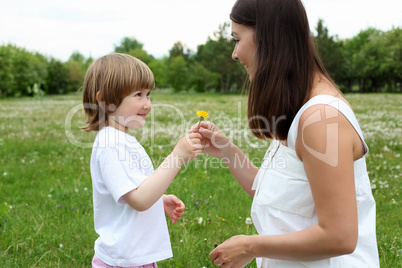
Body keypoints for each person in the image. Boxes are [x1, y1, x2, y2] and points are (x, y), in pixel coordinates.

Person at [191, 0, 380, 267]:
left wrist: (250, 246)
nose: (234, 53)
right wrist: (227, 151)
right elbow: (281, 197)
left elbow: (340, 236)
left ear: (268, 37)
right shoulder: (302, 109)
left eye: (237, 38)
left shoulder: (321, 119)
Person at [82, 53, 203, 267]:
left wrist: (159, 199)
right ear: (105, 101)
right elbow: (139, 199)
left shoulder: (122, 140)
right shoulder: (110, 144)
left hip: (135, 255)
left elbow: (133, 189)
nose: (147, 104)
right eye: (138, 94)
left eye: (148, 95)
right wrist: (176, 157)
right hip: (122, 260)